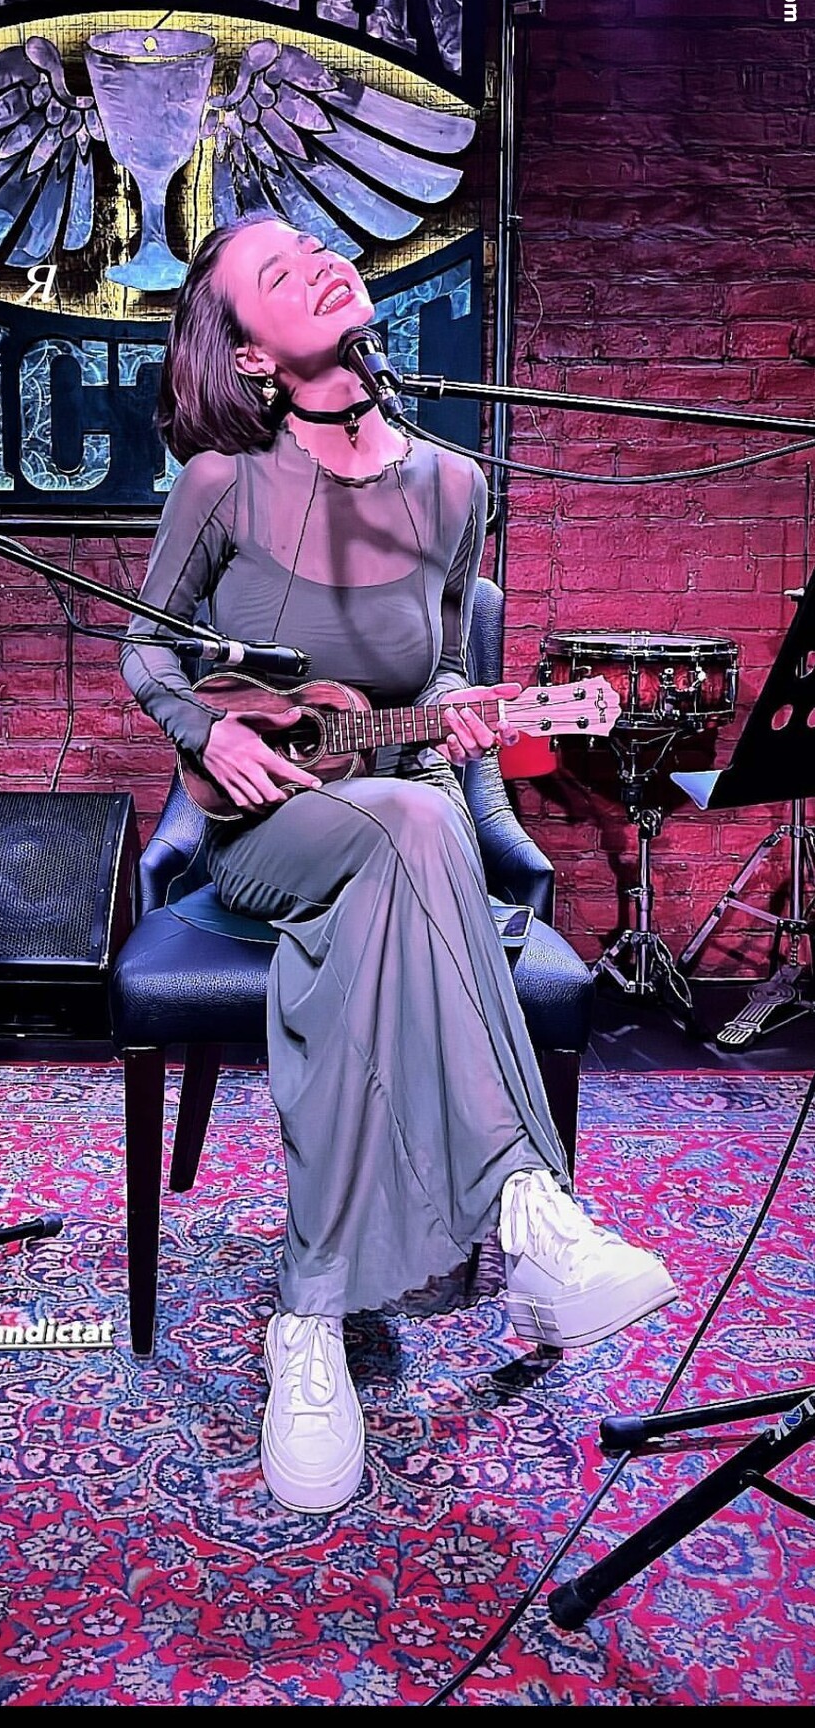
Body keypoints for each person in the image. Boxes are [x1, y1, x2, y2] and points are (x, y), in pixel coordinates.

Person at [119, 213, 679, 1515]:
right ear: (250, 356)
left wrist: (466, 713)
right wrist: (210, 731)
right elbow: (149, 649)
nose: (319, 261)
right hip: (270, 824)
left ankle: (308, 1320)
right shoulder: (220, 484)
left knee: (415, 831)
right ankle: (530, 1207)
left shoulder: (453, 486)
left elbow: (430, 676)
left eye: (315, 245)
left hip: (400, 802)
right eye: (275, 272)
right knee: (414, 835)